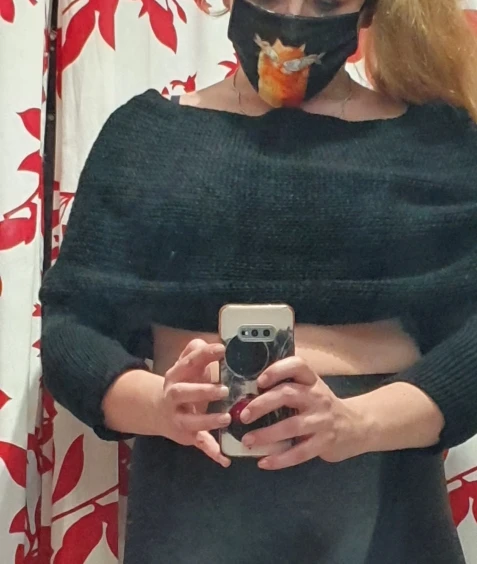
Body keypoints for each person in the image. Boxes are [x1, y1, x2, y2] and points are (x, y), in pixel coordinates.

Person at [40, 0, 477, 562]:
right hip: (192, 506)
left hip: (383, 506)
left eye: (325, 0)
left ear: (370, 9)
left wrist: (359, 423)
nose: (291, 14)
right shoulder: (144, 138)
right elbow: (71, 328)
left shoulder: (437, 143)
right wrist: (158, 405)